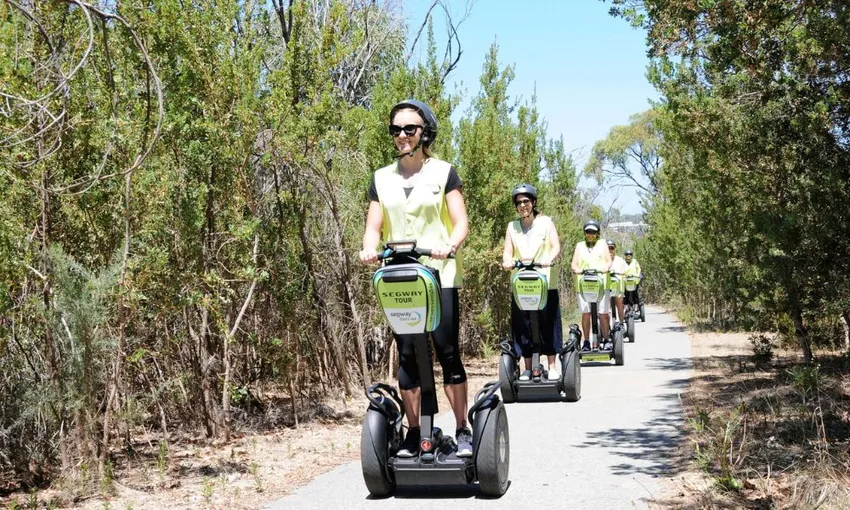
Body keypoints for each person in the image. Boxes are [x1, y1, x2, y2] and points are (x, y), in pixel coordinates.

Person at [359, 99, 473, 459]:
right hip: (399, 277)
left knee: (447, 349)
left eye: (410, 129)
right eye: (396, 130)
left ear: (425, 132)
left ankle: (462, 428)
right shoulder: (381, 178)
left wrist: (449, 245)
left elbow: (460, 223)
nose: (402, 136)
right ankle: (415, 432)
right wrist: (368, 249)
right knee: (407, 354)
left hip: (439, 273)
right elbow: (372, 228)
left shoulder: (444, 173)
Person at [501, 183, 563, 382]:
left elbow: (555, 246)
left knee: (548, 323)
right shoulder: (512, 227)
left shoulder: (546, 222)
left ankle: (552, 365)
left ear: (533, 202)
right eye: (518, 203)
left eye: (526, 201)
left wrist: (549, 258)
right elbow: (507, 253)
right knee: (522, 326)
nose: (522, 206)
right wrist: (507, 262)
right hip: (522, 286)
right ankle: (527, 367)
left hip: (544, 283)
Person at [569, 220, 613, 351]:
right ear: (585, 233)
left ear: (597, 233)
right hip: (584, 285)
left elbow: (608, 261)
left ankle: (606, 339)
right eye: (588, 232)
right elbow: (574, 264)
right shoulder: (579, 246)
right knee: (586, 313)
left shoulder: (602, 244)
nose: (590, 235)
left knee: (603, 313)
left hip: (601, 283)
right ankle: (587, 341)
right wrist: (576, 269)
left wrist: (605, 268)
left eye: (593, 232)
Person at [607, 239, 627, 323]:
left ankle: (621, 322)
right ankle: (607, 326)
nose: (610, 250)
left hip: (618, 287)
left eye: (612, 248)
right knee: (606, 307)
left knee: (619, 302)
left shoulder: (620, 260)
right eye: (608, 248)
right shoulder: (601, 260)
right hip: (606, 287)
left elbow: (625, 273)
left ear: (614, 249)